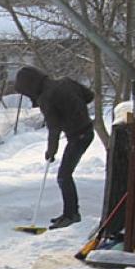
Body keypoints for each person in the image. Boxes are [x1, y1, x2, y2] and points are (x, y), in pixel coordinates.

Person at [14, 65, 95, 229]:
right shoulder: (66, 82)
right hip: (85, 131)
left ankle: (71, 215)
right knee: (65, 175)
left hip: (78, 136)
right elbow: (89, 96)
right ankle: (69, 213)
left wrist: (51, 151)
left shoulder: (46, 98)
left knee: (64, 176)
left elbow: (54, 128)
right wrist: (73, 110)